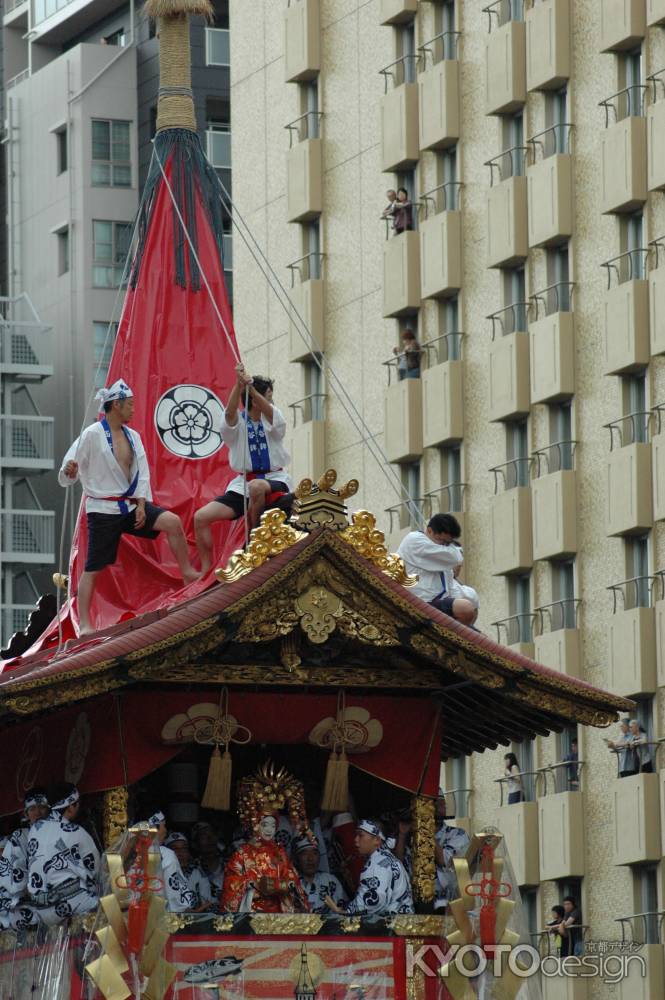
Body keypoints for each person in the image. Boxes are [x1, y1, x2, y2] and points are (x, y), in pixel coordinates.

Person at [59, 380, 199, 634]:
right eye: (130, 405)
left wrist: (143, 504)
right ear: (116, 405)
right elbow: (70, 465)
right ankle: (86, 624)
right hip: (102, 509)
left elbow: (142, 473)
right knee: (94, 567)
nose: (134, 409)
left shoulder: (133, 437)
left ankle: (187, 572)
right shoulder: (92, 434)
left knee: (173, 522)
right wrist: (70, 470)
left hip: (129, 506)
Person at [194, 365, 292, 572]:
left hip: (275, 478)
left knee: (256, 486)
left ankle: (253, 544)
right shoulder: (238, 422)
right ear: (255, 401)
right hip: (242, 484)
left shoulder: (273, 419)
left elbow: (272, 414)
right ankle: (205, 570)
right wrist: (238, 387)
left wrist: (252, 390)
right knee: (200, 517)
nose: (271, 402)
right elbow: (229, 416)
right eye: (269, 396)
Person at [26, 784, 100, 926]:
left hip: (40, 911)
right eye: (77, 804)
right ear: (71, 806)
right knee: (109, 908)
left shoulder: (34, 829)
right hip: (70, 904)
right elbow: (97, 871)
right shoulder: (77, 832)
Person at [397, 514, 477, 626]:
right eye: (441, 540)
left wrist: (472, 597)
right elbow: (455, 557)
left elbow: (451, 586)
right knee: (465, 608)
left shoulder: (441, 557)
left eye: (447, 543)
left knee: (472, 598)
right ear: (429, 531)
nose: (443, 545)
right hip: (419, 602)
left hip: (437, 602)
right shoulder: (414, 540)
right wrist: (457, 553)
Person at [221, 813, 309, 913]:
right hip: (251, 911)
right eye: (265, 825)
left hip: (278, 912)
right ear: (255, 825)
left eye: (273, 826)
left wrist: (284, 885)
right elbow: (231, 882)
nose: (269, 830)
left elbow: (291, 878)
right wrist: (254, 885)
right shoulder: (242, 853)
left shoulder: (280, 852)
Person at [325, 820, 414, 916]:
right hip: (402, 922)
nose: (355, 839)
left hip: (392, 926)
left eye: (360, 835)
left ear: (377, 840)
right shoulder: (386, 858)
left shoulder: (378, 864)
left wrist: (347, 911)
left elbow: (374, 899)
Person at [0, 790, 50, 929]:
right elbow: (17, 875)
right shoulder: (21, 836)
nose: (38, 812)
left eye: (42, 807)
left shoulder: (60, 832)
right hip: (26, 902)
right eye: (32, 809)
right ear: (26, 814)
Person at [145, 812, 197, 913]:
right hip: (162, 918)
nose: (165, 830)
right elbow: (174, 898)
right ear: (154, 829)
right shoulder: (166, 854)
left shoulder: (136, 853)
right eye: (163, 826)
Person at [292, 836, 347, 914]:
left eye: (314, 853)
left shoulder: (330, 880)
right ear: (296, 859)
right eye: (304, 854)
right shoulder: (290, 882)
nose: (310, 858)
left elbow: (344, 911)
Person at [434, 792, 470, 910]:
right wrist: (402, 834)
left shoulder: (458, 834)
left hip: (448, 905)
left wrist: (425, 828)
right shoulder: (411, 835)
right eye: (439, 803)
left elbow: (444, 860)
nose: (444, 806)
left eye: (443, 802)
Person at [164, 832, 214, 911]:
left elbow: (207, 903)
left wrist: (194, 913)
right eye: (175, 849)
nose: (180, 853)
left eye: (184, 848)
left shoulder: (197, 873)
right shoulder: (161, 875)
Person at [191, 822, 226, 904]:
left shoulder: (230, 865)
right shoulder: (191, 868)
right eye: (203, 836)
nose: (210, 839)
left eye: (212, 834)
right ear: (196, 843)